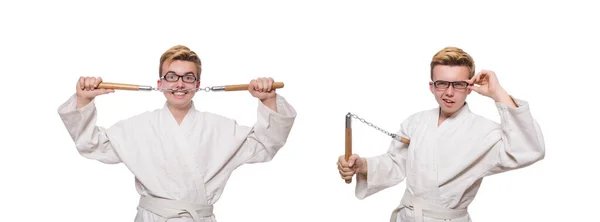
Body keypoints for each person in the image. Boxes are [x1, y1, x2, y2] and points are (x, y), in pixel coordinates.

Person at [57, 45, 297, 222]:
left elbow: (266, 145)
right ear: (160, 84)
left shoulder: (221, 128)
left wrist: (269, 99)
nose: (180, 84)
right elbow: (91, 144)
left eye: (188, 77)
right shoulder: (137, 127)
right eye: (172, 76)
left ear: (198, 84)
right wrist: (83, 99)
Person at [337, 46, 545, 222]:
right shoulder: (415, 122)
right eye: (442, 83)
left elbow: (529, 149)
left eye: (458, 84)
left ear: (470, 87)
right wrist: (362, 165)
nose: (449, 92)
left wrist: (498, 92)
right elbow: (395, 163)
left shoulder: (485, 132)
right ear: (432, 86)